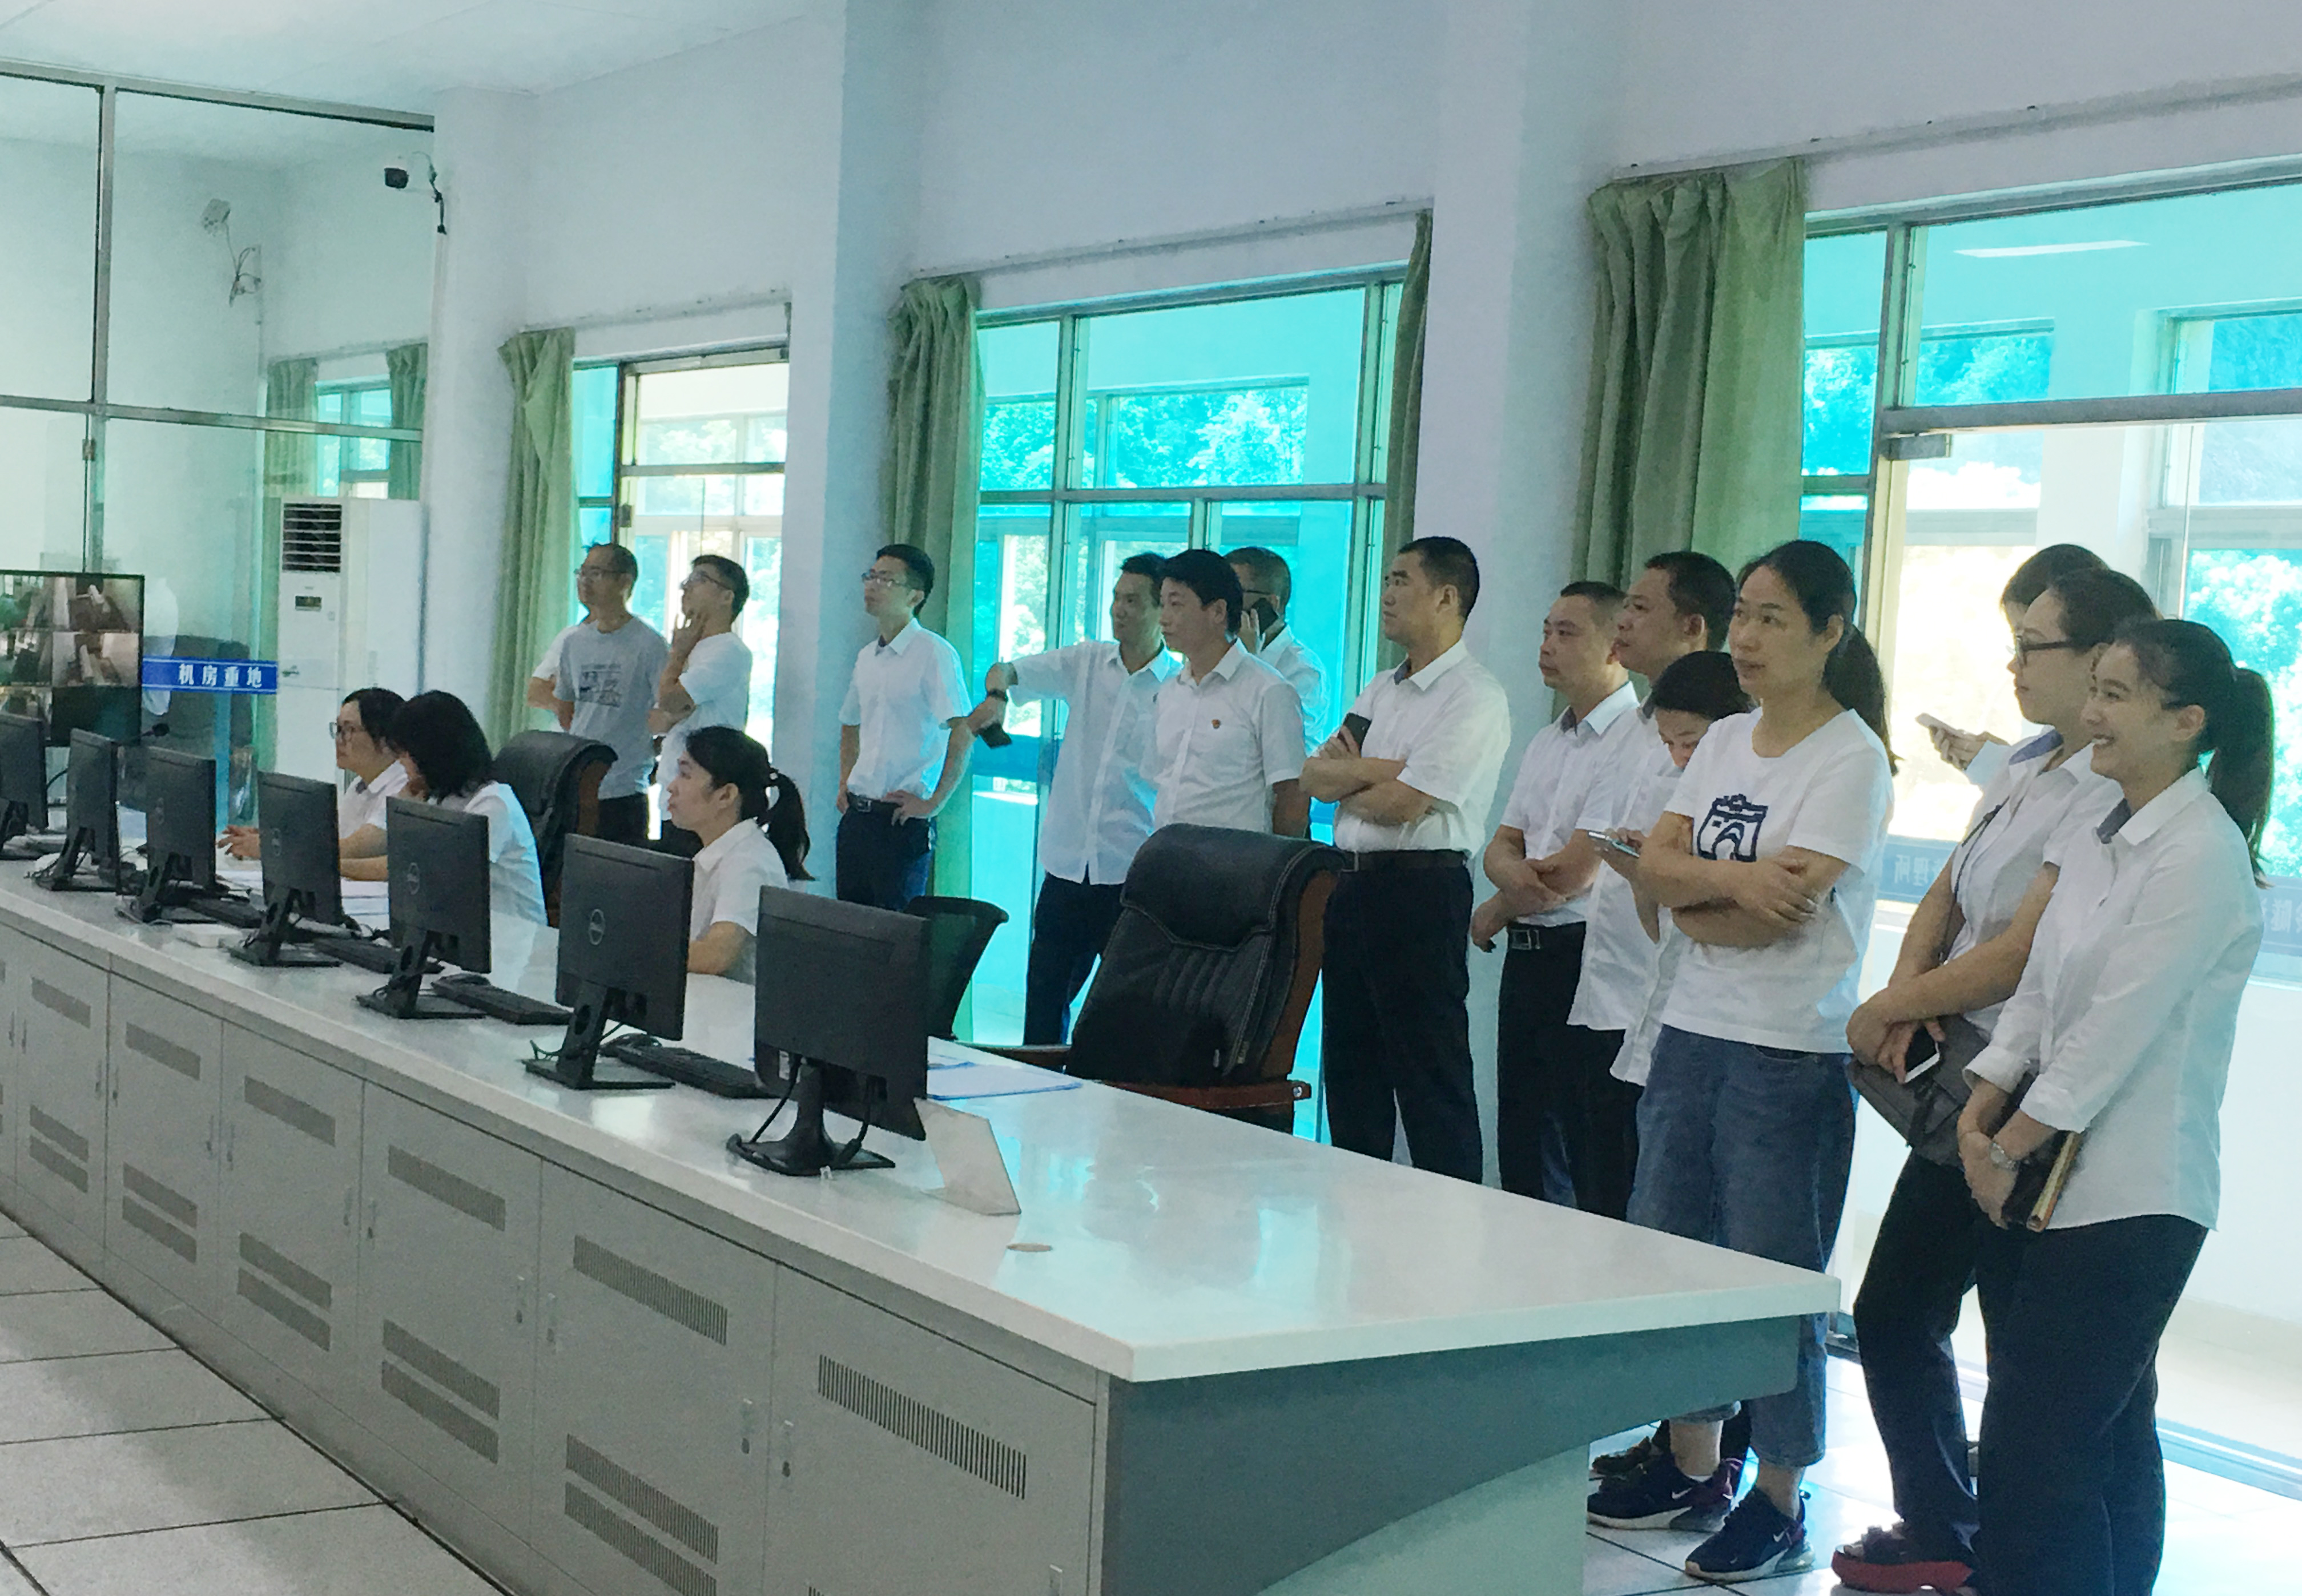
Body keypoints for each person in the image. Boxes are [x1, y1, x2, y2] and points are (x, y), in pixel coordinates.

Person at [1831, 567, 2156, 1596]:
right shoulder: (2026, 762)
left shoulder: (2109, 789)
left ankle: (2070, 1567)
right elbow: (1950, 886)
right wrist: (1904, 995)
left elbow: (2024, 952)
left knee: (2061, 1379)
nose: (2013, 665)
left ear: (2103, 662)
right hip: (1970, 1077)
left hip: (2037, 1100)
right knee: (1896, 1310)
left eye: (2033, 645)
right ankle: (1942, 1525)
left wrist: (1897, 1004)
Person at [1588, 541, 1894, 1583]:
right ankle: (1692, 1462)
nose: (1748, 639)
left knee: (1773, 1280)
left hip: (1786, 1049)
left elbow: (1776, 915)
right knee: (1672, 1255)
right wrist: (1723, 884)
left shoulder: (1850, 758)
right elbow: (1663, 871)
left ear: (1829, 631)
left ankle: (1779, 1496)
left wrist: (1693, 886)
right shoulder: (1724, 737)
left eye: (1772, 619)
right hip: (1692, 1032)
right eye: (1742, 617)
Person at [1958, 619, 2271, 1596]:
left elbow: (2114, 1029)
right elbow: (2042, 991)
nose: (2090, 713)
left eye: (2115, 695)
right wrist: (1980, 1105)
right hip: (2052, 1180)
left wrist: (2005, 1147)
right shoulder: (2104, 828)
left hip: (2136, 1195)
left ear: (2186, 722)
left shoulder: (2200, 853)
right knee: (2100, 1440)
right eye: (2093, 688)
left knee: (2034, 1454)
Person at [1302, 537, 1510, 1182]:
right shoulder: (1380, 689)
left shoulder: (1473, 696)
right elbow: (1314, 777)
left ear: (1446, 598)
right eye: (1387, 580)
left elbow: (1404, 805)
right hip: (1350, 885)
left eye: (1400, 581)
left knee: (1428, 1070)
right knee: (1351, 1065)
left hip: (1422, 891)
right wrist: (1388, 769)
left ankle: (1452, 1217)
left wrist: (1368, 778)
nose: (1387, 595)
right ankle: (1355, 1206)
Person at [1561, 550, 1736, 1220]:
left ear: (1693, 626)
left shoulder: (1727, 752)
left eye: (1639, 607)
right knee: (1596, 1181)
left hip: (1673, 1003)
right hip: (1611, 988)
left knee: (1658, 1199)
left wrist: (1654, 872)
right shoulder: (1639, 727)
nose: (1623, 622)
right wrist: (1643, 870)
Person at [1470, 581, 1639, 1205]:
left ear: (1615, 646)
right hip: (1528, 955)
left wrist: (1496, 905)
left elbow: (1574, 873)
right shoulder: (1549, 740)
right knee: (1520, 1137)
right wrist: (1512, 888)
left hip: (1585, 955)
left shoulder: (1633, 739)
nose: (1547, 645)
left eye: (1567, 633)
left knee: (1583, 1144)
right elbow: (1501, 845)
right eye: (1546, 630)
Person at [961, 553, 1177, 1043]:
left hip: (1129, 873)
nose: (1119, 609)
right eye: (1116, 598)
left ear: (1161, 609)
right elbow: (1006, 670)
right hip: (1065, 866)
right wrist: (997, 697)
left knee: (1121, 1014)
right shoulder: (1087, 662)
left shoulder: (1177, 689)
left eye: (1132, 601)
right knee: (1044, 1003)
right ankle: (1038, 1088)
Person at [836, 545, 972, 910]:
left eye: (886, 579)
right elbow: (849, 721)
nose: (873, 585)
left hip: (901, 820)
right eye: (871, 576)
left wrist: (935, 802)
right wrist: (844, 780)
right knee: (848, 926)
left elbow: (962, 729)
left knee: (895, 932)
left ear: (915, 596)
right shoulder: (867, 656)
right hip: (857, 817)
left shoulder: (934, 653)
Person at [339, 691, 547, 925]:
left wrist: (337, 866)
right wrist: (405, 808)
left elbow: (418, 869)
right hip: (458, 926)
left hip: (513, 936)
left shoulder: (493, 805)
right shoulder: (439, 797)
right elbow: (406, 857)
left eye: (406, 753)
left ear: (432, 753)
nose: (401, 761)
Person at [1147, 549, 1307, 836]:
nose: (1164, 619)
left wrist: (1273, 862)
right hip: (1167, 853)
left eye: (1176, 605)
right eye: (1162, 605)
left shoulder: (1269, 690)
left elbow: (1292, 797)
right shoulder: (1170, 690)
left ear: (1218, 612)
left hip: (1236, 858)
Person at [1922, 542, 2104, 785]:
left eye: (2030, 643)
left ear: (2095, 655)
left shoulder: (2112, 771)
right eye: (2018, 644)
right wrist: (2000, 766)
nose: (2014, 665)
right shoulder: (2048, 750)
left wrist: (2002, 768)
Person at [528, 542, 670, 844]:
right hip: (576, 786)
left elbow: (668, 712)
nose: (585, 581)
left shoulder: (650, 645)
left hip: (624, 789)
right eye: (582, 573)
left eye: (596, 573)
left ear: (624, 582)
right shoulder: (574, 642)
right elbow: (567, 709)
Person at [660, 725, 812, 982]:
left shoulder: (748, 862)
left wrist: (637, 949)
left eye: (685, 775)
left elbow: (716, 955)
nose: (671, 787)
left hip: (735, 1004)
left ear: (726, 795)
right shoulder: (718, 851)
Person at [221, 687, 405, 861]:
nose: (339, 740)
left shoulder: (403, 787)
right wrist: (271, 838)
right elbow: (328, 840)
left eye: (349, 730)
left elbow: (354, 849)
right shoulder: (360, 784)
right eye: (338, 729)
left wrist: (273, 849)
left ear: (385, 740)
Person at [651, 554, 755, 852]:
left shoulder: (728, 650)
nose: (686, 587)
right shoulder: (694, 649)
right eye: (688, 580)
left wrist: (677, 656)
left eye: (700, 580)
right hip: (676, 795)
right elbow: (655, 720)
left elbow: (669, 701)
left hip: (704, 804)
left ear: (727, 597)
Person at [1229, 545, 1331, 751]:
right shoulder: (1221, 652)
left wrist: (1248, 663)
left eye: (1235, 593)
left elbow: (1281, 748)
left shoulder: (1304, 670)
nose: (1224, 603)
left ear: (1270, 603)